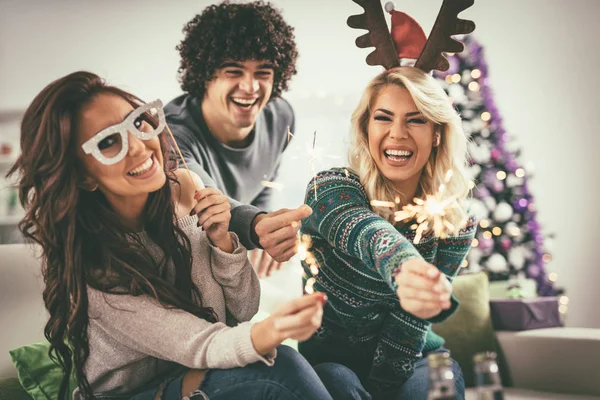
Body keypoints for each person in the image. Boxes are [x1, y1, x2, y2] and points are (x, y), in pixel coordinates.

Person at [8, 71, 336, 400]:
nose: (138, 146)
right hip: (137, 394)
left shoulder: (185, 191)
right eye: (108, 142)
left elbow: (242, 311)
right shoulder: (95, 270)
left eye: (137, 122)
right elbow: (201, 343)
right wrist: (273, 330)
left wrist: (223, 243)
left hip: (196, 374)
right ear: (83, 177)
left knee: (338, 377)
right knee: (282, 370)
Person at [298, 67, 477, 400]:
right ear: (366, 129)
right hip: (331, 363)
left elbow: (409, 326)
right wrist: (405, 267)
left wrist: (382, 390)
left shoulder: (454, 222)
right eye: (384, 118)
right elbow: (364, 231)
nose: (397, 133)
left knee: (437, 386)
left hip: (416, 357)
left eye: (416, 119)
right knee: (335, 381)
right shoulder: (330, 188)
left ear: (437, 133)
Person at [165, 1, 304, 278]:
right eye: (233, 71)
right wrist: (256, 225)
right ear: (205, 75)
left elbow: (263, 182)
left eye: (263, 72)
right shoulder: (171, 133)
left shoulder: (281, 117)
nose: (250, 87)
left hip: (234, 252)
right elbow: (202, 197)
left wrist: (265, 227)